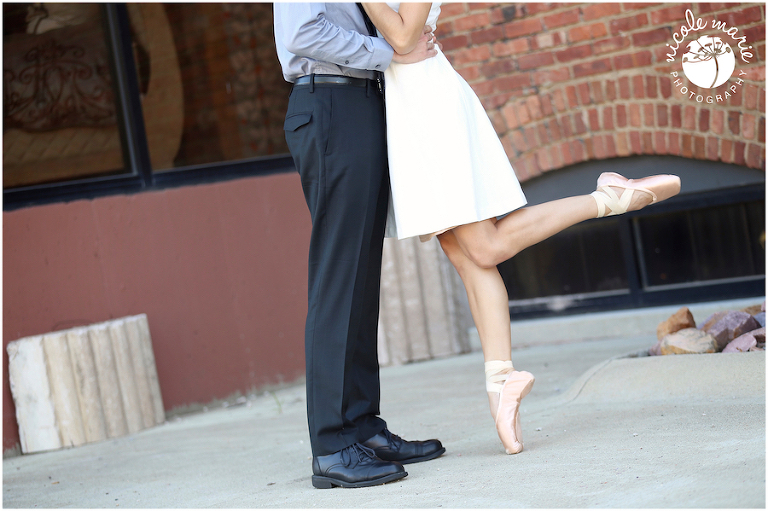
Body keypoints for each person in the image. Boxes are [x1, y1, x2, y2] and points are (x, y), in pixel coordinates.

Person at [361, 2, 681, 455]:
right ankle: (500, 388)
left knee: (486, 248)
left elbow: (404, 35)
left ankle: (608, 198)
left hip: (427, 107)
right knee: (466, 260)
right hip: (407, 108)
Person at [273, 3, 446, 489]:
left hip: (358, 103)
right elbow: (302, 31)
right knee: (338, 280)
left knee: (360, 282)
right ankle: (331, 446)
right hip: (329, 105)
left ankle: (362, 428)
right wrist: (388, 52)